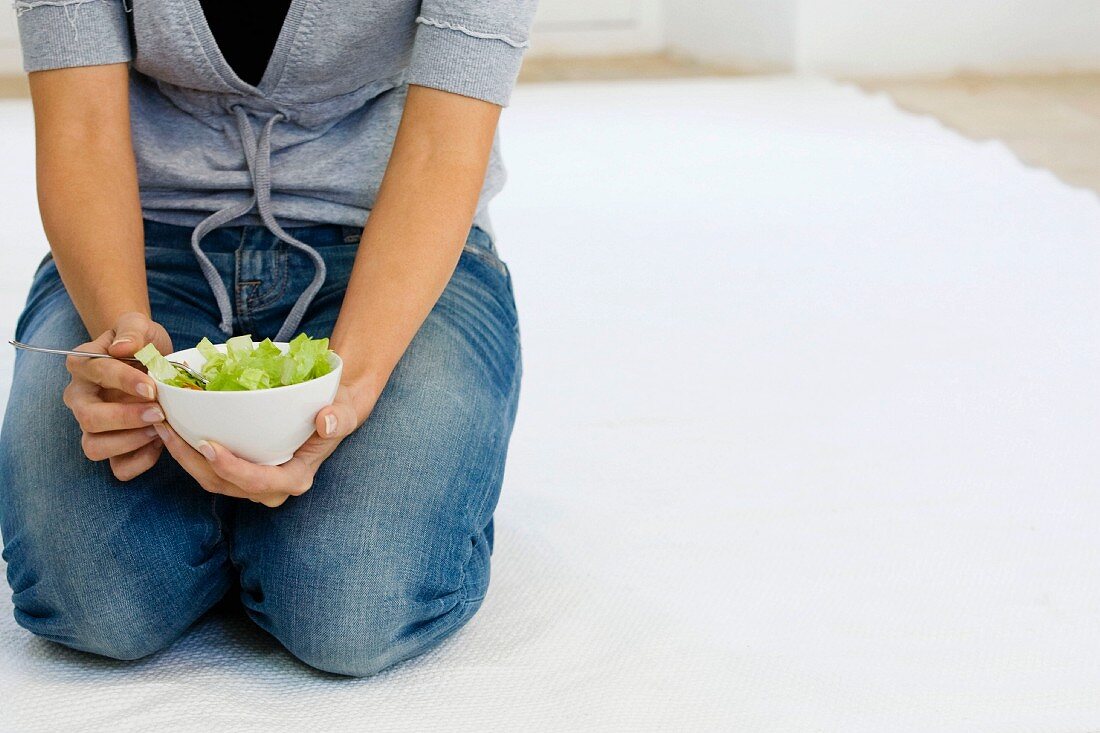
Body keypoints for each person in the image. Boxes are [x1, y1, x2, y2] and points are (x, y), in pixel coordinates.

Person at [0, 0, 535, 677]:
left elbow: (443, 145)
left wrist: (352, 397)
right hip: (147, 241)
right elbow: (80, 127)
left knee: (350, 612)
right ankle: (251, 524)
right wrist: (125, 342)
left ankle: (268, 532)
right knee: (93, 602)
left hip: (386, 240)